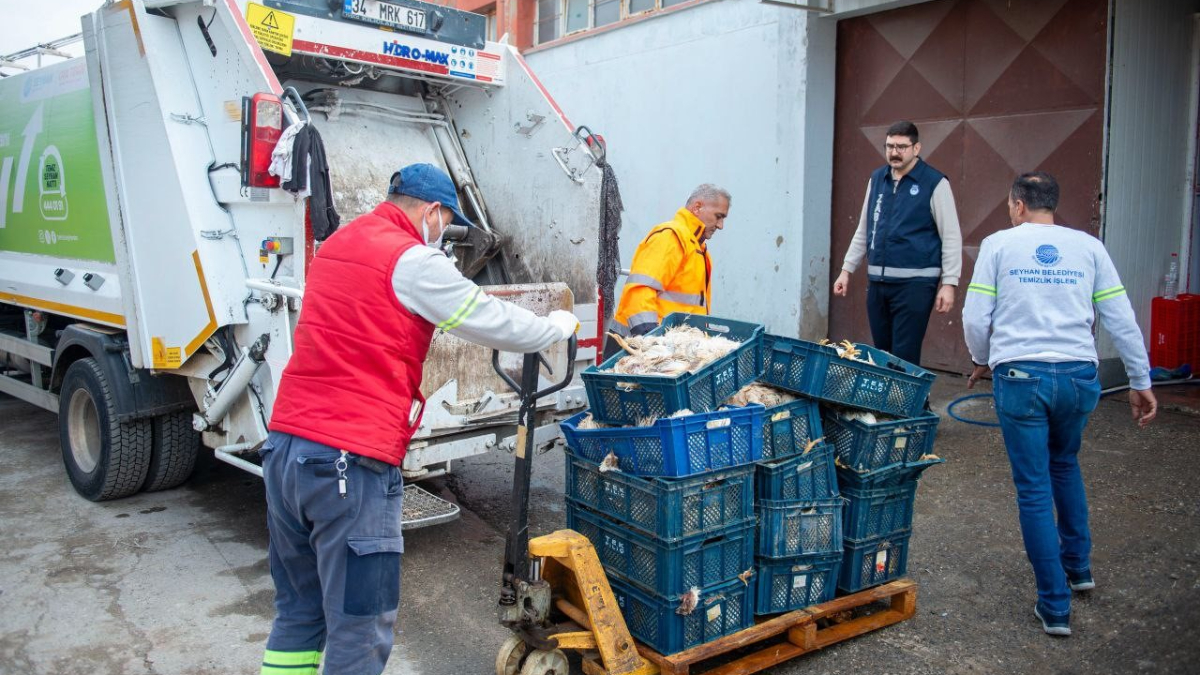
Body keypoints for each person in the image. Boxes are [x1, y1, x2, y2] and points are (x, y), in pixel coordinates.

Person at [258, 163, 579, 675]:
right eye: (447, 222)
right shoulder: (412, 259)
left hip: (286, 451)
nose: (444, 234)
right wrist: (555, 327)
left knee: (299, 613)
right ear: (432, 212)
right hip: (349, 461)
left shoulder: (338, 244)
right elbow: (489, 320)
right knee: (360, 626)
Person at [962, 172, 1157, 637]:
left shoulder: (998, 245)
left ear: (1018, 205)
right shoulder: (1088, 247)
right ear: (1052, 204)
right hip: (1078, 377)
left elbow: (975, 317)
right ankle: (1078, 568)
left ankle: (1054, 606)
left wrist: (982, 358)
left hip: (1021, 377)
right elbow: (1120, 316)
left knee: (1033, 488)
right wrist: (1140, 379)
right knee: (1065, 464)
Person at [832, 120, 962, 366]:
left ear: (916, 148)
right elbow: (864, 228)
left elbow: (951, 236)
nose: (894, 152)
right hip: (878, 283)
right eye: (890, 146)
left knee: (904, 355)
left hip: (915, 284)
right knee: (882, 353)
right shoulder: (877, 179)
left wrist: (949, 283)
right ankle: (887, 393)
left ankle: (908, 392)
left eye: (902, 147)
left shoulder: (934, 183)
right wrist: (846, 270)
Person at [606, 184, 730, 356]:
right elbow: (639, 291)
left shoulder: (698, 249)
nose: (721, 225)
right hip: (636, 350)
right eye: (718, 216)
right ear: (697, 207)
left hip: (667, 350)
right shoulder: (671, 236)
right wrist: (651, 341)